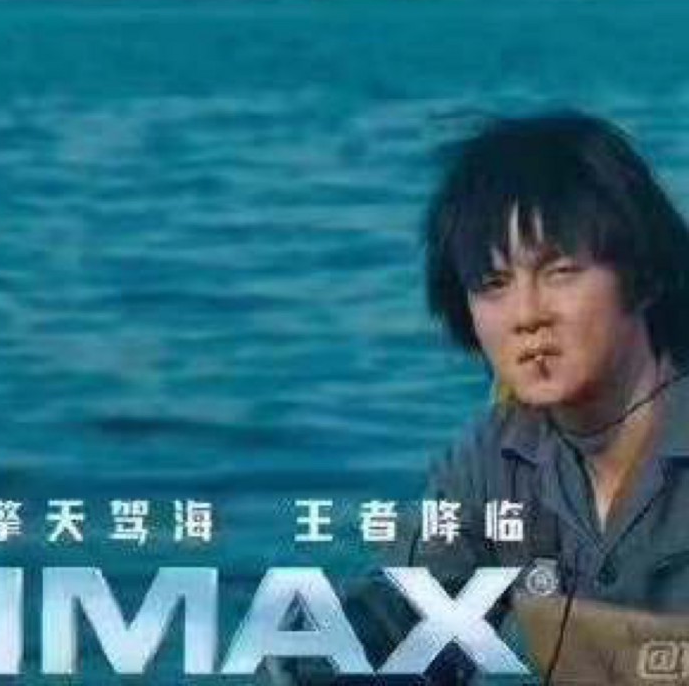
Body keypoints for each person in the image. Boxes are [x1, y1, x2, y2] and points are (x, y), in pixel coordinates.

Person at [276, 112, 689, 685]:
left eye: (560, 272)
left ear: (643, 277)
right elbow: (408, 616)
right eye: (494, 284)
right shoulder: (495, 462)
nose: (527, 315)